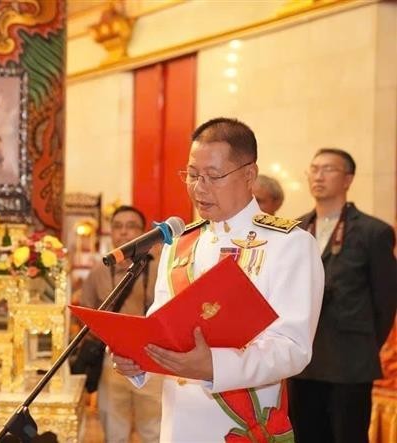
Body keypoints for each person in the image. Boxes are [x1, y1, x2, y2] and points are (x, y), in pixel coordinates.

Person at [111, 117, 325, 442]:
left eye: (213, 176)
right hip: (179, 425)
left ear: (249, 174)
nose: (199, 188)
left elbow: (292, 348)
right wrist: (137, 360)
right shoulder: (180, 243)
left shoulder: (289, 243)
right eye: (192, 175)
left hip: (244, 426)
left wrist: (213, 366)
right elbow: (163, 327)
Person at [288, 148, 397, 443]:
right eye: (314, 169)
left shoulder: (374, 232)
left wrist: (363, 343)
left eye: (328, 169)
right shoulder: (294, 230)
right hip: (303, 363)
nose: (318, 176)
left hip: (350, 363)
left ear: (348, 179)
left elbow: (385, 302)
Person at [80, 205, 162, 443]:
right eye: (118, 227)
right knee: (114, 431)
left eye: (131, 226)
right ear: (111, 233)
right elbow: (85, 313)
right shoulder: (98, 271)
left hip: (152, 359)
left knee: (153, 431)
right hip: (111, 358)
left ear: (143, 232)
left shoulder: (159, 268)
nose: (124, 233)